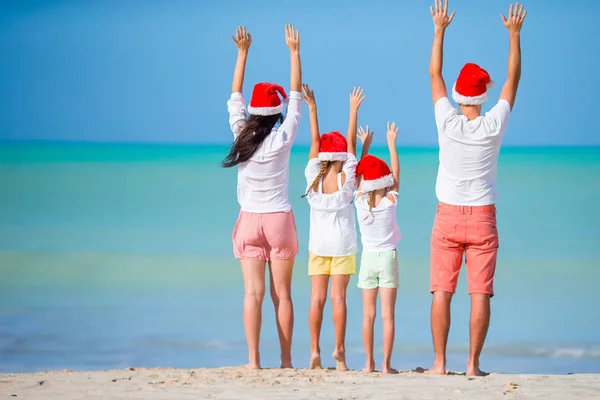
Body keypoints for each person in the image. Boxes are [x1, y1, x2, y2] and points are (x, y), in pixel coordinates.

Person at [427, 0, 527, 376]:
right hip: (483, 217)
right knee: (480, 292)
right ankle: (472, 365)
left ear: (457, 95)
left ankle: (439, 363)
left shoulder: (447, 121)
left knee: (442, 290)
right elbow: (512, 80)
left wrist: (439, 30)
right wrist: (514, 37)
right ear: (483, 96)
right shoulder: (493, 125)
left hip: (447, 215)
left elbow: (434, 73)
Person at [223, 25, 302, 370]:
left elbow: (235, 95)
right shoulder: (282, 138)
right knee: (282, 295)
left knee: (252, 294)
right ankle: (286, 362)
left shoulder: (242, 135)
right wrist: (294, 51)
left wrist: (242, 52)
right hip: (278, 220)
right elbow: (297, 98)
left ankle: (253, 361)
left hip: (249, 219)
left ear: (255, 111)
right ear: (276, 112)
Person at [301, 84, 366, 370]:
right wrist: (353, 111)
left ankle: (314, 350)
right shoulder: (348, 179)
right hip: (343, 246)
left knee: (317, 297)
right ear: (341, 157)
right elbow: (351, 147)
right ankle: (339, 352)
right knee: (339, 298)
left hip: (319, 246)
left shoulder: (312, 175)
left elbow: (315, 143)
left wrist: (312, 109)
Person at [355, 122, 402, 374]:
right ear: (386, 183)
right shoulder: (390, 202)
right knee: (388, 316)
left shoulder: (360, 202)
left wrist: (365, 147)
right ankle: (386, 365)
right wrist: (391, 142)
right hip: (387, 259)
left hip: (368, 259)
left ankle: (369, 363)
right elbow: (396, 175)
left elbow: (360, 175)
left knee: (368, 315)